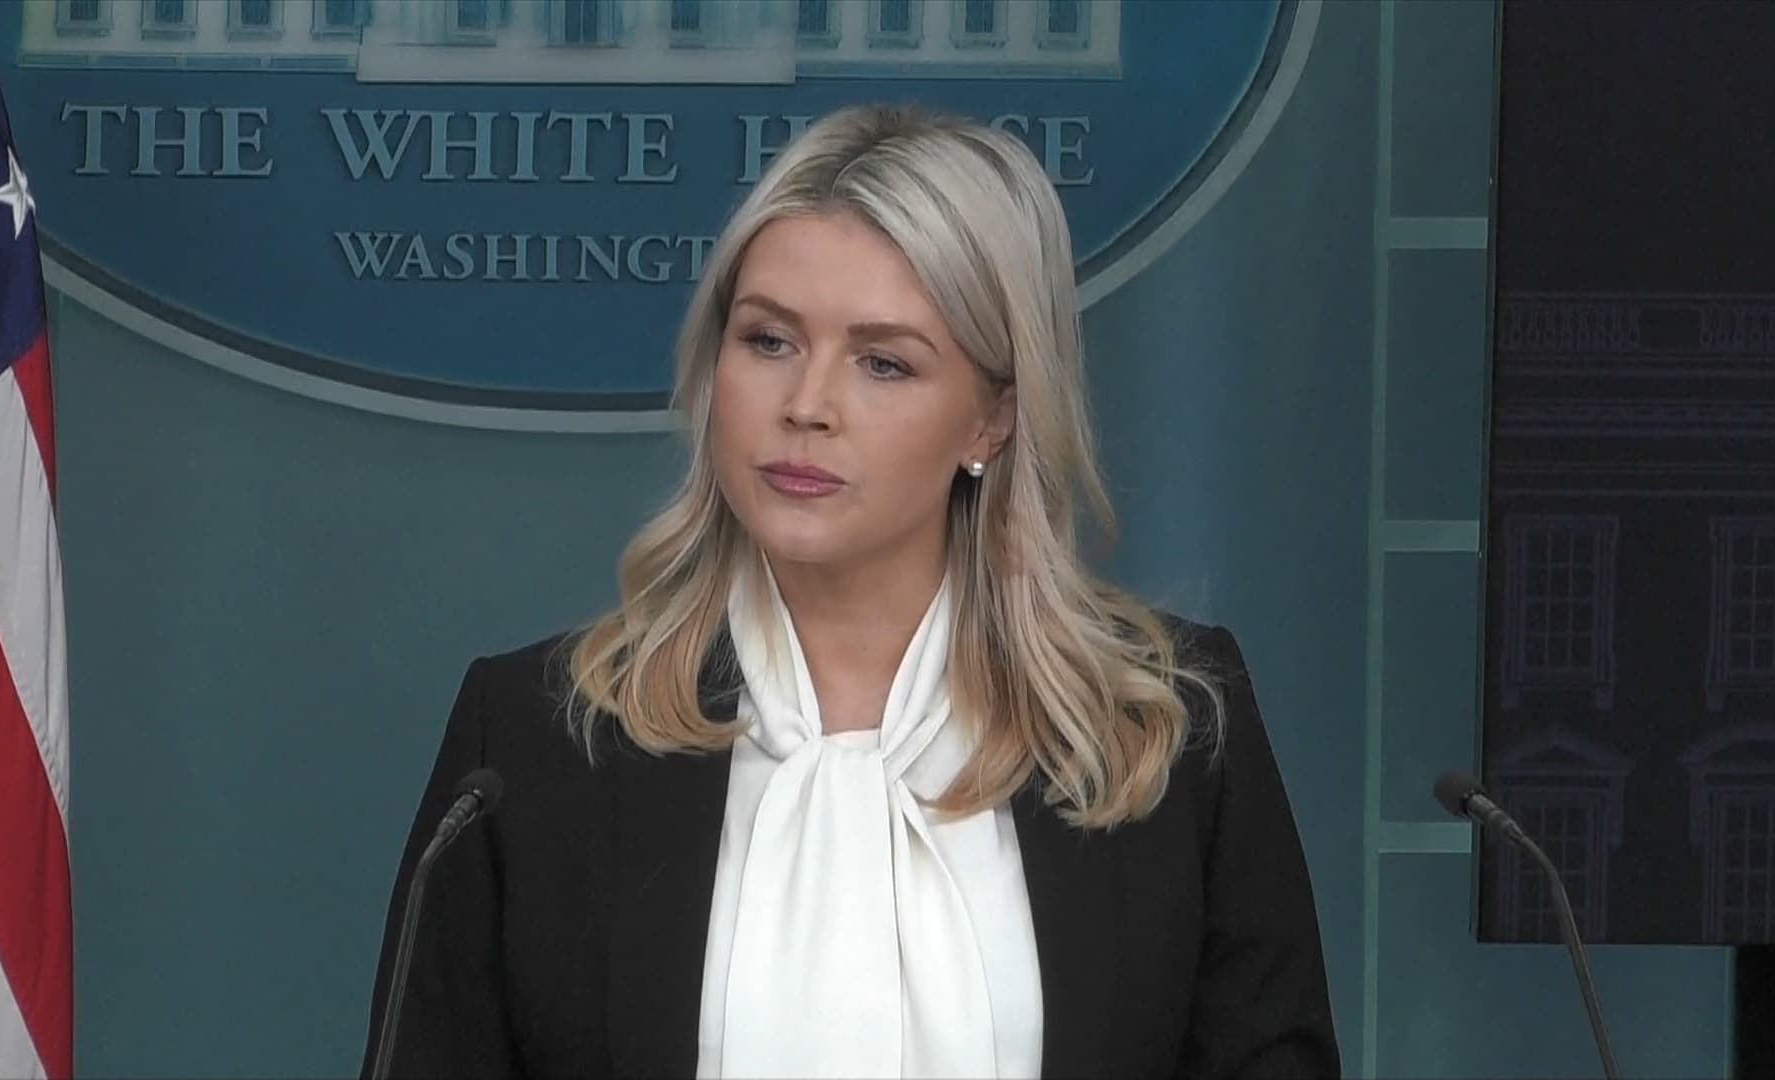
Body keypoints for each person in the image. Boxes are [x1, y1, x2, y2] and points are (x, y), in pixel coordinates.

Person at [360, 103, 1338, 1079]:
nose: (807, 406)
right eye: (769, 341)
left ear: (993, 420)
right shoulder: (529, 743)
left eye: (882, 363)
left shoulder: (1168, 731)